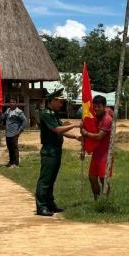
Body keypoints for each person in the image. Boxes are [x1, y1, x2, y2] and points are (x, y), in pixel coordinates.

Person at [36, 88, 82, 217]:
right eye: (60, 101)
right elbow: (56, 129)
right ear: (53, 101)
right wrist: (74, 125)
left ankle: (50, 204)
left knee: (52, 179)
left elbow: (62, 131)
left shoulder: (54, 114)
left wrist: (75, 137)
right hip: (49, 150)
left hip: (56, 150)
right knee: (45, 180)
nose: (61, 104)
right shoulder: (45, 114)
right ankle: (41, 206)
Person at [80, 95, 113, 200]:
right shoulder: (93, 118)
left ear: (104, 106)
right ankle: (96, 200)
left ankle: (105, 201)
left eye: (99, 106)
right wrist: (83, 149)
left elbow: (99, 136)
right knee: (92, 178)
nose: (96, 109)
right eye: (95, 106)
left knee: (103, 178)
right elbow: (86, 128)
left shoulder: (107, 119)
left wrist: (85, 132)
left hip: (105, 155)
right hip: (96, 154)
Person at [1, 97, 27, 167]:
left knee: (14, 148)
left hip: (15, 133)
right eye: (10, 102)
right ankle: (11, 162)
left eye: (13, 102)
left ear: (16, 103)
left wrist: (20, 130)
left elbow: (24, 121)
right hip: (8, 133)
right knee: (9, 148)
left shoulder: (19, 111)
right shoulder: (8, 110)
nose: (12, 103)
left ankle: (16, 163)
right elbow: (2, 117)